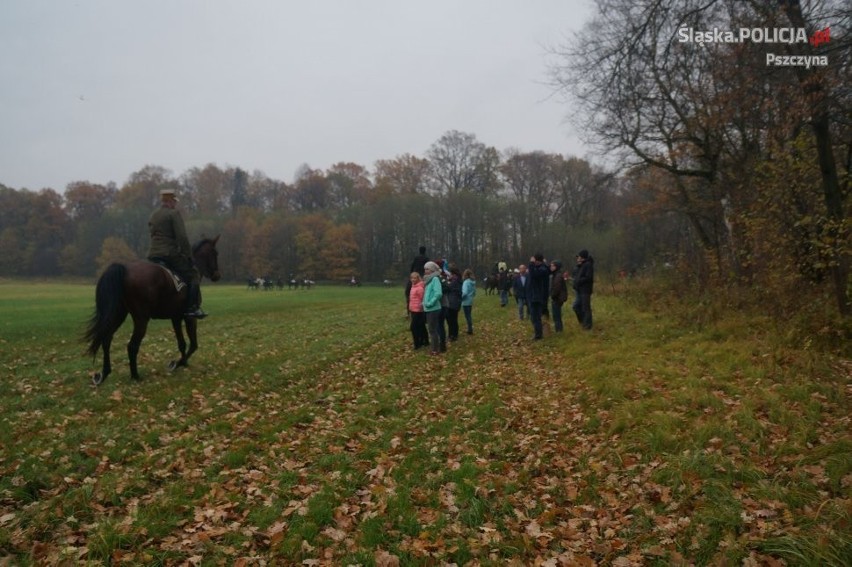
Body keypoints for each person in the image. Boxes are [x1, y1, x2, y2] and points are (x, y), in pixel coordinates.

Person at [147, 187, 206, 318]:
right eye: (174, 201)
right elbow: (182, 237)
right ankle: (192, 308)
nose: (175, 204)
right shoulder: (173, 214)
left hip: (153, 254)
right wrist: (189, 256)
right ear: (170, 201)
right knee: (193, 274)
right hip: (169, 254)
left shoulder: (154, 215)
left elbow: (152, 234)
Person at [526, 253, 551, 340]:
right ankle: (538, 333)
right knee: (534, 317)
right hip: (533, 295)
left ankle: (538, 335)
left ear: (537, 261)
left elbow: (534, 275)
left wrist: (531, 264)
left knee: (536, 317)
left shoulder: (543, 269)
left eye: (534, 260)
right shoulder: (539, 268)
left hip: (537, 296)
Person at [422, 261, 444, 355]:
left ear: (432, 270)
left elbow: (438, 293)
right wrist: (424, 302)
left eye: (427, 269)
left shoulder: (435, 279)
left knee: (432, 330)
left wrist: (430, 303)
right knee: (431, 329)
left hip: (433, 308)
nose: (425, 271)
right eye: (425, 269)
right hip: (428, 308)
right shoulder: (428, 280)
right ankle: (434, 348)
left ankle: (435, 350)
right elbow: (427, 294)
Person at [572, 249, 595, 330]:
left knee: (586, 308)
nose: (577, 258)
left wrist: (579, 280)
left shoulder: (588, 265)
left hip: (585, 290)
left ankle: (588, 325)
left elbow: (588, 277)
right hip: (580, 290)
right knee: (576, 306)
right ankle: (584, 322)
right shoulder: (582, 265)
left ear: (582, 257)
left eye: (579, 256)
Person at [408, 272, 428, 349]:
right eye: (411, 278)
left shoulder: (419, 288)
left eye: (415, 278)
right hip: (413, 309)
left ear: (418, 278)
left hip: (418, 310)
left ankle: (417, 344)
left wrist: (421, 307)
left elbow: (422, 298)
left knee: (413, 327)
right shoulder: (413, 287)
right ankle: (425, 341)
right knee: (421, 326)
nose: (413, 279)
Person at [405, 246, 429, 311]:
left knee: (408, 292)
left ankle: (408, 309)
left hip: (415, 275)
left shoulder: (416, 258)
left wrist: (411, 275)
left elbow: (412, 267)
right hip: (423, 276)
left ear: (419, 250)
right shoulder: (427, 258)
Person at [549, 260, 568, 332]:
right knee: (556, 315)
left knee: (556, 315)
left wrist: (552, 295)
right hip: (557, 298)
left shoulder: (558, 276)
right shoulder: (556, 275)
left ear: (556, 267)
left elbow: (556, 288)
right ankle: (559, 329)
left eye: (552, 265)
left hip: (557, 298)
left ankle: (559, 330)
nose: (551, 267)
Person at [445, 264, 463, 341]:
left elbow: (448, 288)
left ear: (453, 274)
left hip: (452, 303)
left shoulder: (454, 281)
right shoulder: (458, 280)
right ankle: (454, 335)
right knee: (454, 320)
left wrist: (447, 281)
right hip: (456, 302)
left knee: (451, 320)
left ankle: (452, 335)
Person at [461, 268, 476, 334]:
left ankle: (470, 329)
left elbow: (465, 292)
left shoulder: (466, 282)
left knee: (467, 316)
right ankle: (470, 328)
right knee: (469, 315)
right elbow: (474, 292)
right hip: (470, 300)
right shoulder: (473, 282)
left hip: (465, 301)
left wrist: (460, 298)